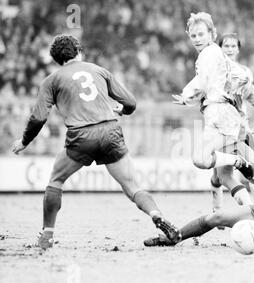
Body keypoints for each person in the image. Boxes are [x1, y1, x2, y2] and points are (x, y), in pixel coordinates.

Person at [10, 34, 181, 249]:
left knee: (55, 181)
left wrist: (25, 141)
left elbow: (38, 117)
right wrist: (123, 110)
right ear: (78, 51)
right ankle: (157, 216)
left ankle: (47, 236)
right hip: (110, 131)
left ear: (56, 59)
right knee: (132, 187)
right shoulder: (99, 70)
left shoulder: (51, 80)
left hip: (81, 136)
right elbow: (130, 102)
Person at [172, 12, 254, 206]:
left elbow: (201, 82)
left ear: (212, 34)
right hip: (229, 116)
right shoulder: (219, 55)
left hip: (218, 115)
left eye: (201, 34)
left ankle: (238, 161)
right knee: (226, 178)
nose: (197, 39)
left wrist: (186, 96)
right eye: (193, 36)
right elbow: (241, 78)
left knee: (200, 159)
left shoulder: (208, 54)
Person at [209, 33, 254, 211]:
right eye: (226, 46)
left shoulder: (245, 72)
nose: (229, 49)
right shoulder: (215, 71)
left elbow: (251, 92)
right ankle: (217, 209)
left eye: (232, 46)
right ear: (220, 48)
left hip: (241, 128)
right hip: (221, 127)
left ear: (238, 49)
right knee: (219, 174)